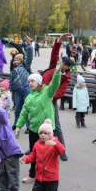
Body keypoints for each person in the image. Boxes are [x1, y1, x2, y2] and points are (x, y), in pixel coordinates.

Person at [15, 61, 62, 183]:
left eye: (32, 81)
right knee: (34, 152)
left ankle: (48, 174)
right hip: (34, 129)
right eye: (29, 81)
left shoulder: (47, 92)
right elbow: (24, 113)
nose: (30, 83)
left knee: (48, 153)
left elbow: (55, 84)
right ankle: (32, 174)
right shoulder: (29, 97)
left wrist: (57, 72)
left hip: (47, 131)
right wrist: (18, 127)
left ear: (39, 82)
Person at [20, 119, 65, 191]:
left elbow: (61, 151)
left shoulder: (54, 143)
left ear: (50, 134)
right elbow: (33, 156)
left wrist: (56, 144)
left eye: (46, 133)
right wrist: (26, 159)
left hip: (52, 177)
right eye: (41, 133)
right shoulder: (37, 144)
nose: (43, 135)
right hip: (39, 176)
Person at [41, 33, 74, 161]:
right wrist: (59, 40)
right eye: (63, 62)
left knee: (56, 126)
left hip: (50, 101)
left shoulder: (66, 78)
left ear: (68, 67)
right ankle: (36, 147)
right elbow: (54, 52)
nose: (63, 65)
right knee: (36, 124)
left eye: (66, 65)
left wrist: (48, 94)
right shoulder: (54, 65)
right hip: (39, 99)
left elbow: (60, 93)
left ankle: (62, 150)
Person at [9, 36, 33, 134]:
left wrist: (29, 45)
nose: (17, 61)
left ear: (22, 60)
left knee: (27, 108)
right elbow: (11, 81)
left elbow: (30, 55)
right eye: (15, 60)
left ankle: (29, 126)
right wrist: (9, 90)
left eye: (19, 60)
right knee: (18, 109)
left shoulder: (26, 65)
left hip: (26, 89)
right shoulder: (13, 71)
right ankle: (16, 124)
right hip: (17, 91)